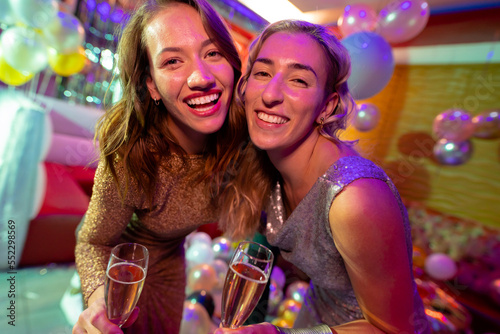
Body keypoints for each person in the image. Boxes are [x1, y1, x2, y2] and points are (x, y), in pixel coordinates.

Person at [216, 20, 430, 334]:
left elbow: (394, 330)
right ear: (245, 86)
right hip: (316, 316)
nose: (271, 94)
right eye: (262, 73)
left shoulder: (354, 198)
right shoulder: (266, 163)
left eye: (299, 80)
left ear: (326, 107)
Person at [72, 0, 245, 333]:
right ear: (151, 85)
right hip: (122, 271)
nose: (201, 77)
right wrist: (97, 300)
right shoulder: (132, 157)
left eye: (212, 53)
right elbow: (91, 241)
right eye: (173, 61)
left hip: (172, 263)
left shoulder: (244, 141)